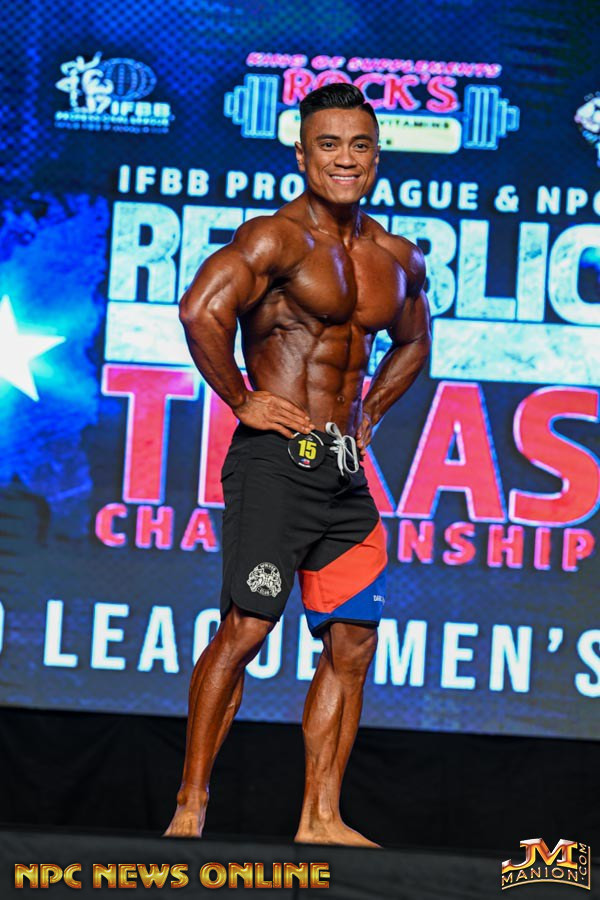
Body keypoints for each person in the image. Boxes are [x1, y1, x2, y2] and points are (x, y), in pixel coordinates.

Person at [165, 83, 431, 846]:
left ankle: (321, 817)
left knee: (353, 642)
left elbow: (415, 340)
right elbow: (199, 310)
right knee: (247, 627)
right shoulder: (275, 240)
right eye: (328, 145)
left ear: (376, 156)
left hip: (344, 475)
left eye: (359, 145)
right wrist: (239, 398)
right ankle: (191, 806)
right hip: (276, 465)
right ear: (302, 154)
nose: (345, 159)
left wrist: (372, 411)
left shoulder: (396, 258)